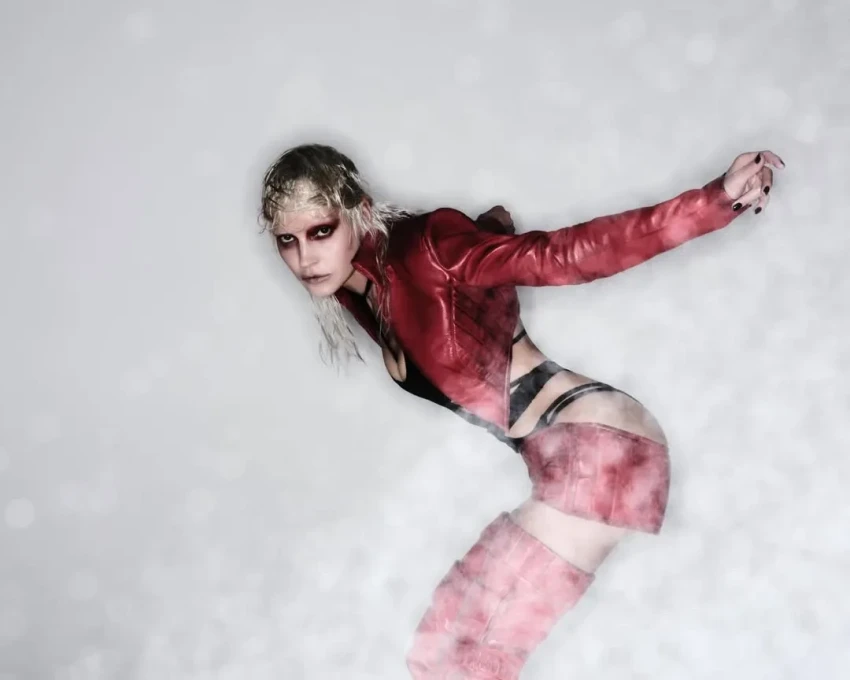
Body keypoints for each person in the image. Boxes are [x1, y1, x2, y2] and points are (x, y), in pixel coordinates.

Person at [258, 144, 783, 679]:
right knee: (437, 652)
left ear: (358, 211)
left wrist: (713, 201)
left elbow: (566, 255)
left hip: (601, 448)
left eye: (321, 232)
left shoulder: (427, 248)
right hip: (567, 456)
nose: (305, 258)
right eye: (287, 240)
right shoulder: (360, 292)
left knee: (468, 663)